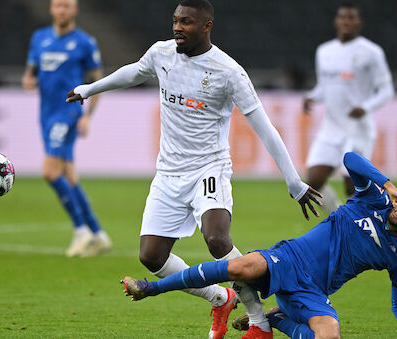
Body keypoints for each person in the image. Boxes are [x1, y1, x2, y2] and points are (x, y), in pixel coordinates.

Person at [66, 0, 321, 337]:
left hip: (208, 169)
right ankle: (219, 297)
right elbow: (133, 72)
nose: (177, 27)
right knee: (151, 256)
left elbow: (265, 128)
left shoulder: (228, 71)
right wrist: (90, 88)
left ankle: (258, 321)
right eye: (175, 20)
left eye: (186, 22)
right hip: (169, 172)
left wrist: (293, 181)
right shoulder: (161, 54)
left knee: (217, 239)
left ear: (206, 26)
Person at [123, 152, 397, 339]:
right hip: (290, 258)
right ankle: (151, 288)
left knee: (329, 334)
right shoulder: (373, 198)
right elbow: (349, 158)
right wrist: (389, 184)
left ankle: (277, 319)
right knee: (240, 266)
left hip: (314, 292)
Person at [22, 0, 111, 257]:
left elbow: (98, 83)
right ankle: (98, 235)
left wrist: (88, 116)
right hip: (46, 114)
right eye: (58, 5)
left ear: (75, 10)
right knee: (69, 175)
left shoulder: (84, 42)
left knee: (50, 172)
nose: (62, 10)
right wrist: (28, 79)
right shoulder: (39, 38)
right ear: (51, 9)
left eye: (67, 6)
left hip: (68, 112)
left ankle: (81, 230)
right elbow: (31, 73)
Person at [303, 2, 394, 214]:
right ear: (336, 21)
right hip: (331, 128)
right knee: (313, 181)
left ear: (359, 22)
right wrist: (311, 97)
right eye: (343, 17)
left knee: (352, 188)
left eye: (351, 18)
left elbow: (387, 90)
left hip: (357, 129)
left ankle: (363, 226)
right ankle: (338, 216)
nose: (346, 22)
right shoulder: (324, 51)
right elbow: (325, 86)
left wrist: (366, 107)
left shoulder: (371, 52)